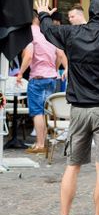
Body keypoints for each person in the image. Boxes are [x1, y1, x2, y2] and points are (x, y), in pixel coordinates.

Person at [36, 0, 99, 215]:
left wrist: (44, 13)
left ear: (90, 10)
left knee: (72, 166)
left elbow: (47, 30)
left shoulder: (72, 33)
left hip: (79, 110)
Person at [18, 10, 67, 154]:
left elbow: (28, 55)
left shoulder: (30, 33)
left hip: (37, 78)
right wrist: (56, 68)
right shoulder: (49, 32)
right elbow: (60, 54)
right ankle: (43, 142)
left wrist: (20, 73)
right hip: (51, 78)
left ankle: (40, 144)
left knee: (37, 112)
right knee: (45, 111)